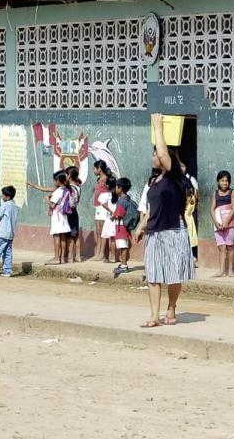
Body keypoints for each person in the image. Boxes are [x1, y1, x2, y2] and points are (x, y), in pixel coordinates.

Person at [133, 114, 195, 328]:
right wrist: (141, 227)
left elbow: (162, 151)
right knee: (153, 275)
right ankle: (154, 316)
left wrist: (158, 127)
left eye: (156, 154)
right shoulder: (154, 181)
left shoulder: (175, 177)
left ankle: (172, 307)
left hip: (174, 230)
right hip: (154, 231)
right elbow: (151, 209)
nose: (154, 156)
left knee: (173, 275)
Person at [211, 170, 234, 278]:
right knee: (221, 247)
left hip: (230, 223)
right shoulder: (215, 193)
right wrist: (216, 223)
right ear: (218, 181)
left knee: (229, 246)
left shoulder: (232, 192)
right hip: (218, 224)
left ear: (229, 182)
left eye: (226, 181)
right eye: (222, 180)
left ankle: (230, 270)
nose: (224, 183)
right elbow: (212, 209)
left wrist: (227, 221)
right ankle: (221, 270)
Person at [111, 177, 137, 275]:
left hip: (121, 227)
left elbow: (119, 214)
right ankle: (123, 264)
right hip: (123, 226)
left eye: (116, 187)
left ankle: (124, 265)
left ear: (120, 188)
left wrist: (113, 217)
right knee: (123, 246)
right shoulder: (127, 198)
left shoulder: (121, 201)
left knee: (123, 246)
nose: (115, 189)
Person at [45, 171, 72, 265]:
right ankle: (62, 258)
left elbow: (52, 205)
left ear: (58, 181)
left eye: (54, 180)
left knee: (56, 236)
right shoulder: (67, 190)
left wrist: (47, 200)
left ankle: (57, 258)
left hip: (57, 216)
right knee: (63, 236)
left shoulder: (58, 192)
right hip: (63, 215)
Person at [92, 160, 113, 262]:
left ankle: (102, 254)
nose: (94, 170)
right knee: (98, 230)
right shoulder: (99, 179)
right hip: (98, 207)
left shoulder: (106, 180)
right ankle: (98, 253)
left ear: (100, 169)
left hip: (103, 207)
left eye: (95, 168)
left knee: (102, 230)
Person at [65, 166, 83, 263]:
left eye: (66, 174)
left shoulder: (69, 188)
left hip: (69, 211)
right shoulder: (78, 186)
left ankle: (71, 257)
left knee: (70, 236)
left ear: (69, 176)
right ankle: (78, 256)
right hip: (75, 211)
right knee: (76, 236)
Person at [98, 176, 118, 263]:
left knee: (112, 238)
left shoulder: (109, 195)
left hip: (111, 218)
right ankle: (114, 256)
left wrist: (110, 210)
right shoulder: (117, 194)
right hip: (115, 218)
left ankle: (113, 257)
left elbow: (102, 203)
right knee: (113, 238)